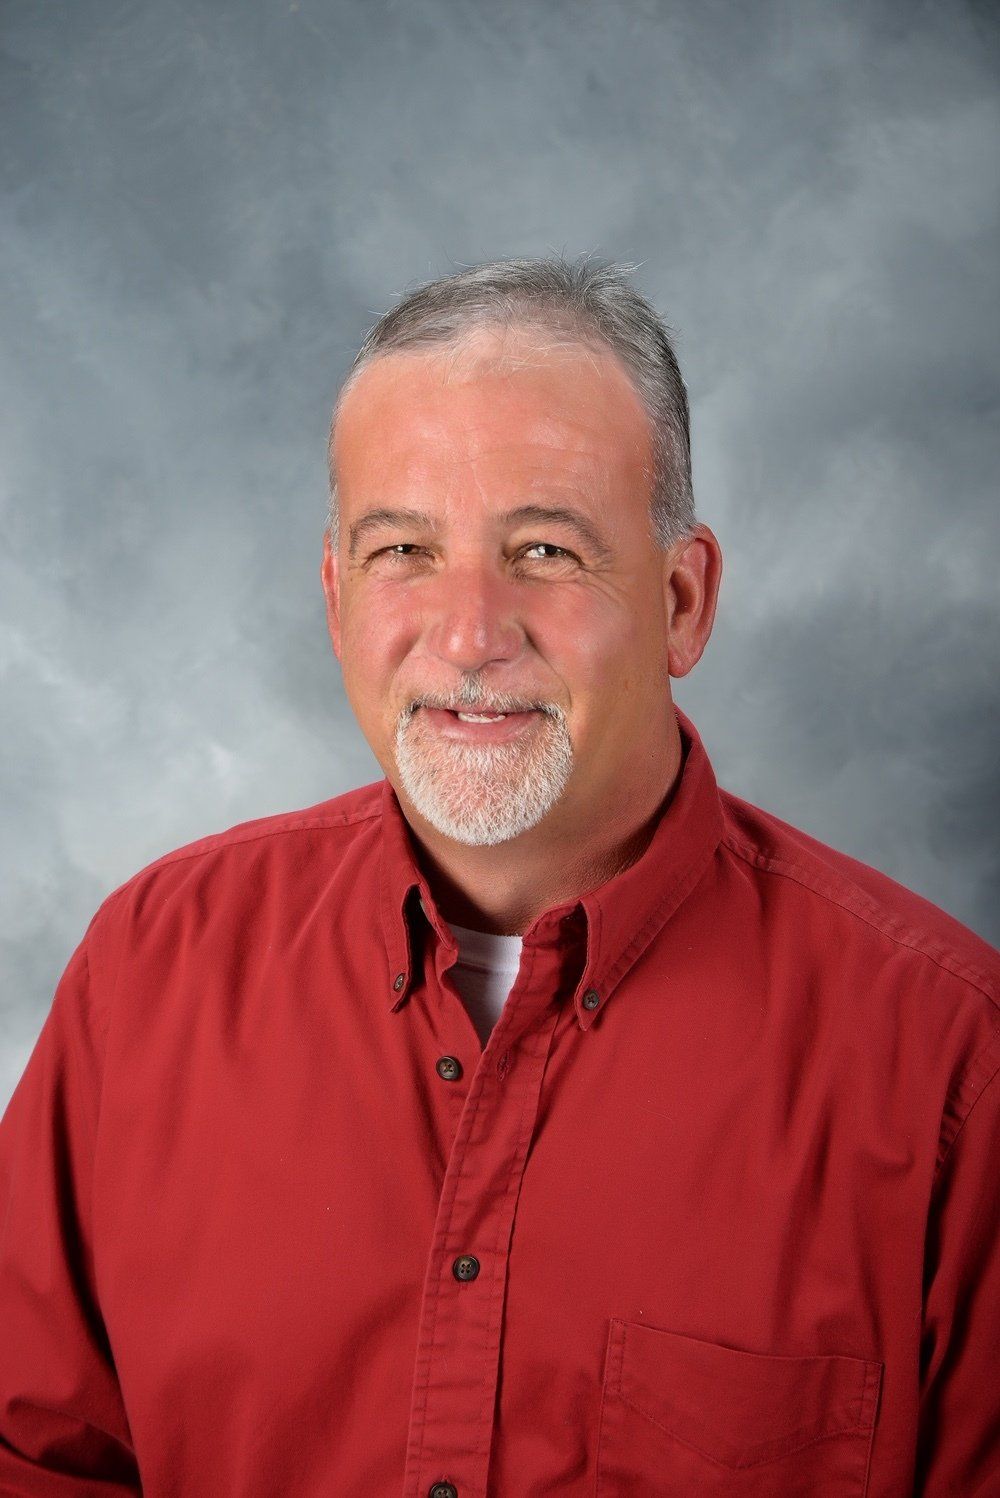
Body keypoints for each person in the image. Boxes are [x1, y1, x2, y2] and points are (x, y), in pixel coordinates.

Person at [1, 256, 997, 1498]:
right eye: (404, 549)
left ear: (683, 602)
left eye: (543, 550)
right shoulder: (146, 977)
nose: (469, 633)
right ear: (335, 600)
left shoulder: (951, 1068)